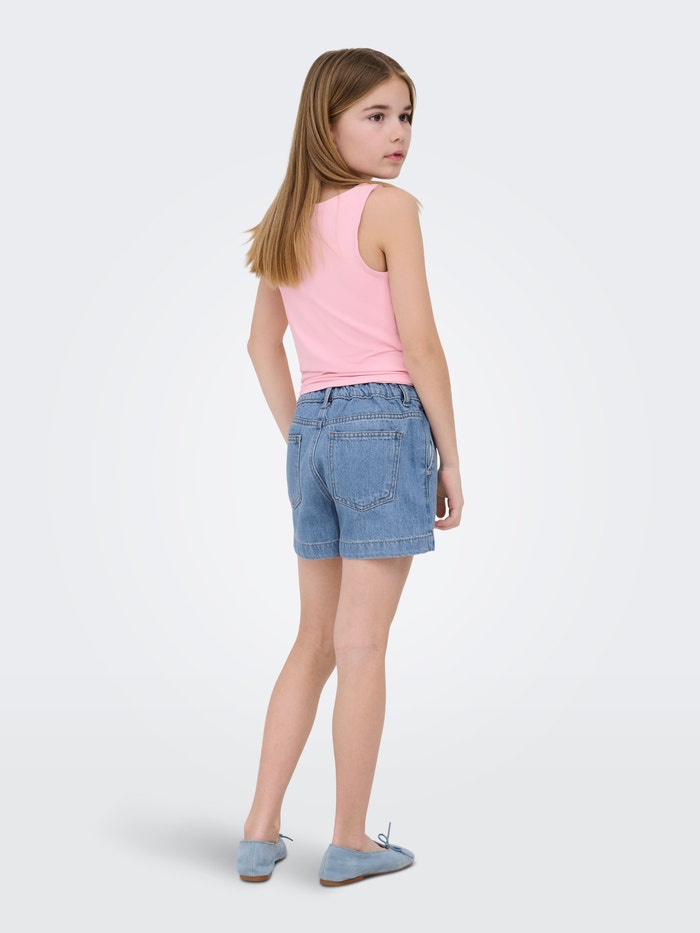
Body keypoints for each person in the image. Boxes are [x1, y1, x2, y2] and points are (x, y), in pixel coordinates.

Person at [237, 47, 463, 887]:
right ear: (326, 123)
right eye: (376, 115)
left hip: (317, 432)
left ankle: (259, 831)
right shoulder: (389, 208)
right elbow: (421, 345)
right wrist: (448, 456)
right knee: (362, 644)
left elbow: (262, 345)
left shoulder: (285, 220)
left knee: (314, 641)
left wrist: (303, 434)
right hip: (386, 421)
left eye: (405, 116)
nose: (398, 132)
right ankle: (350, 839)